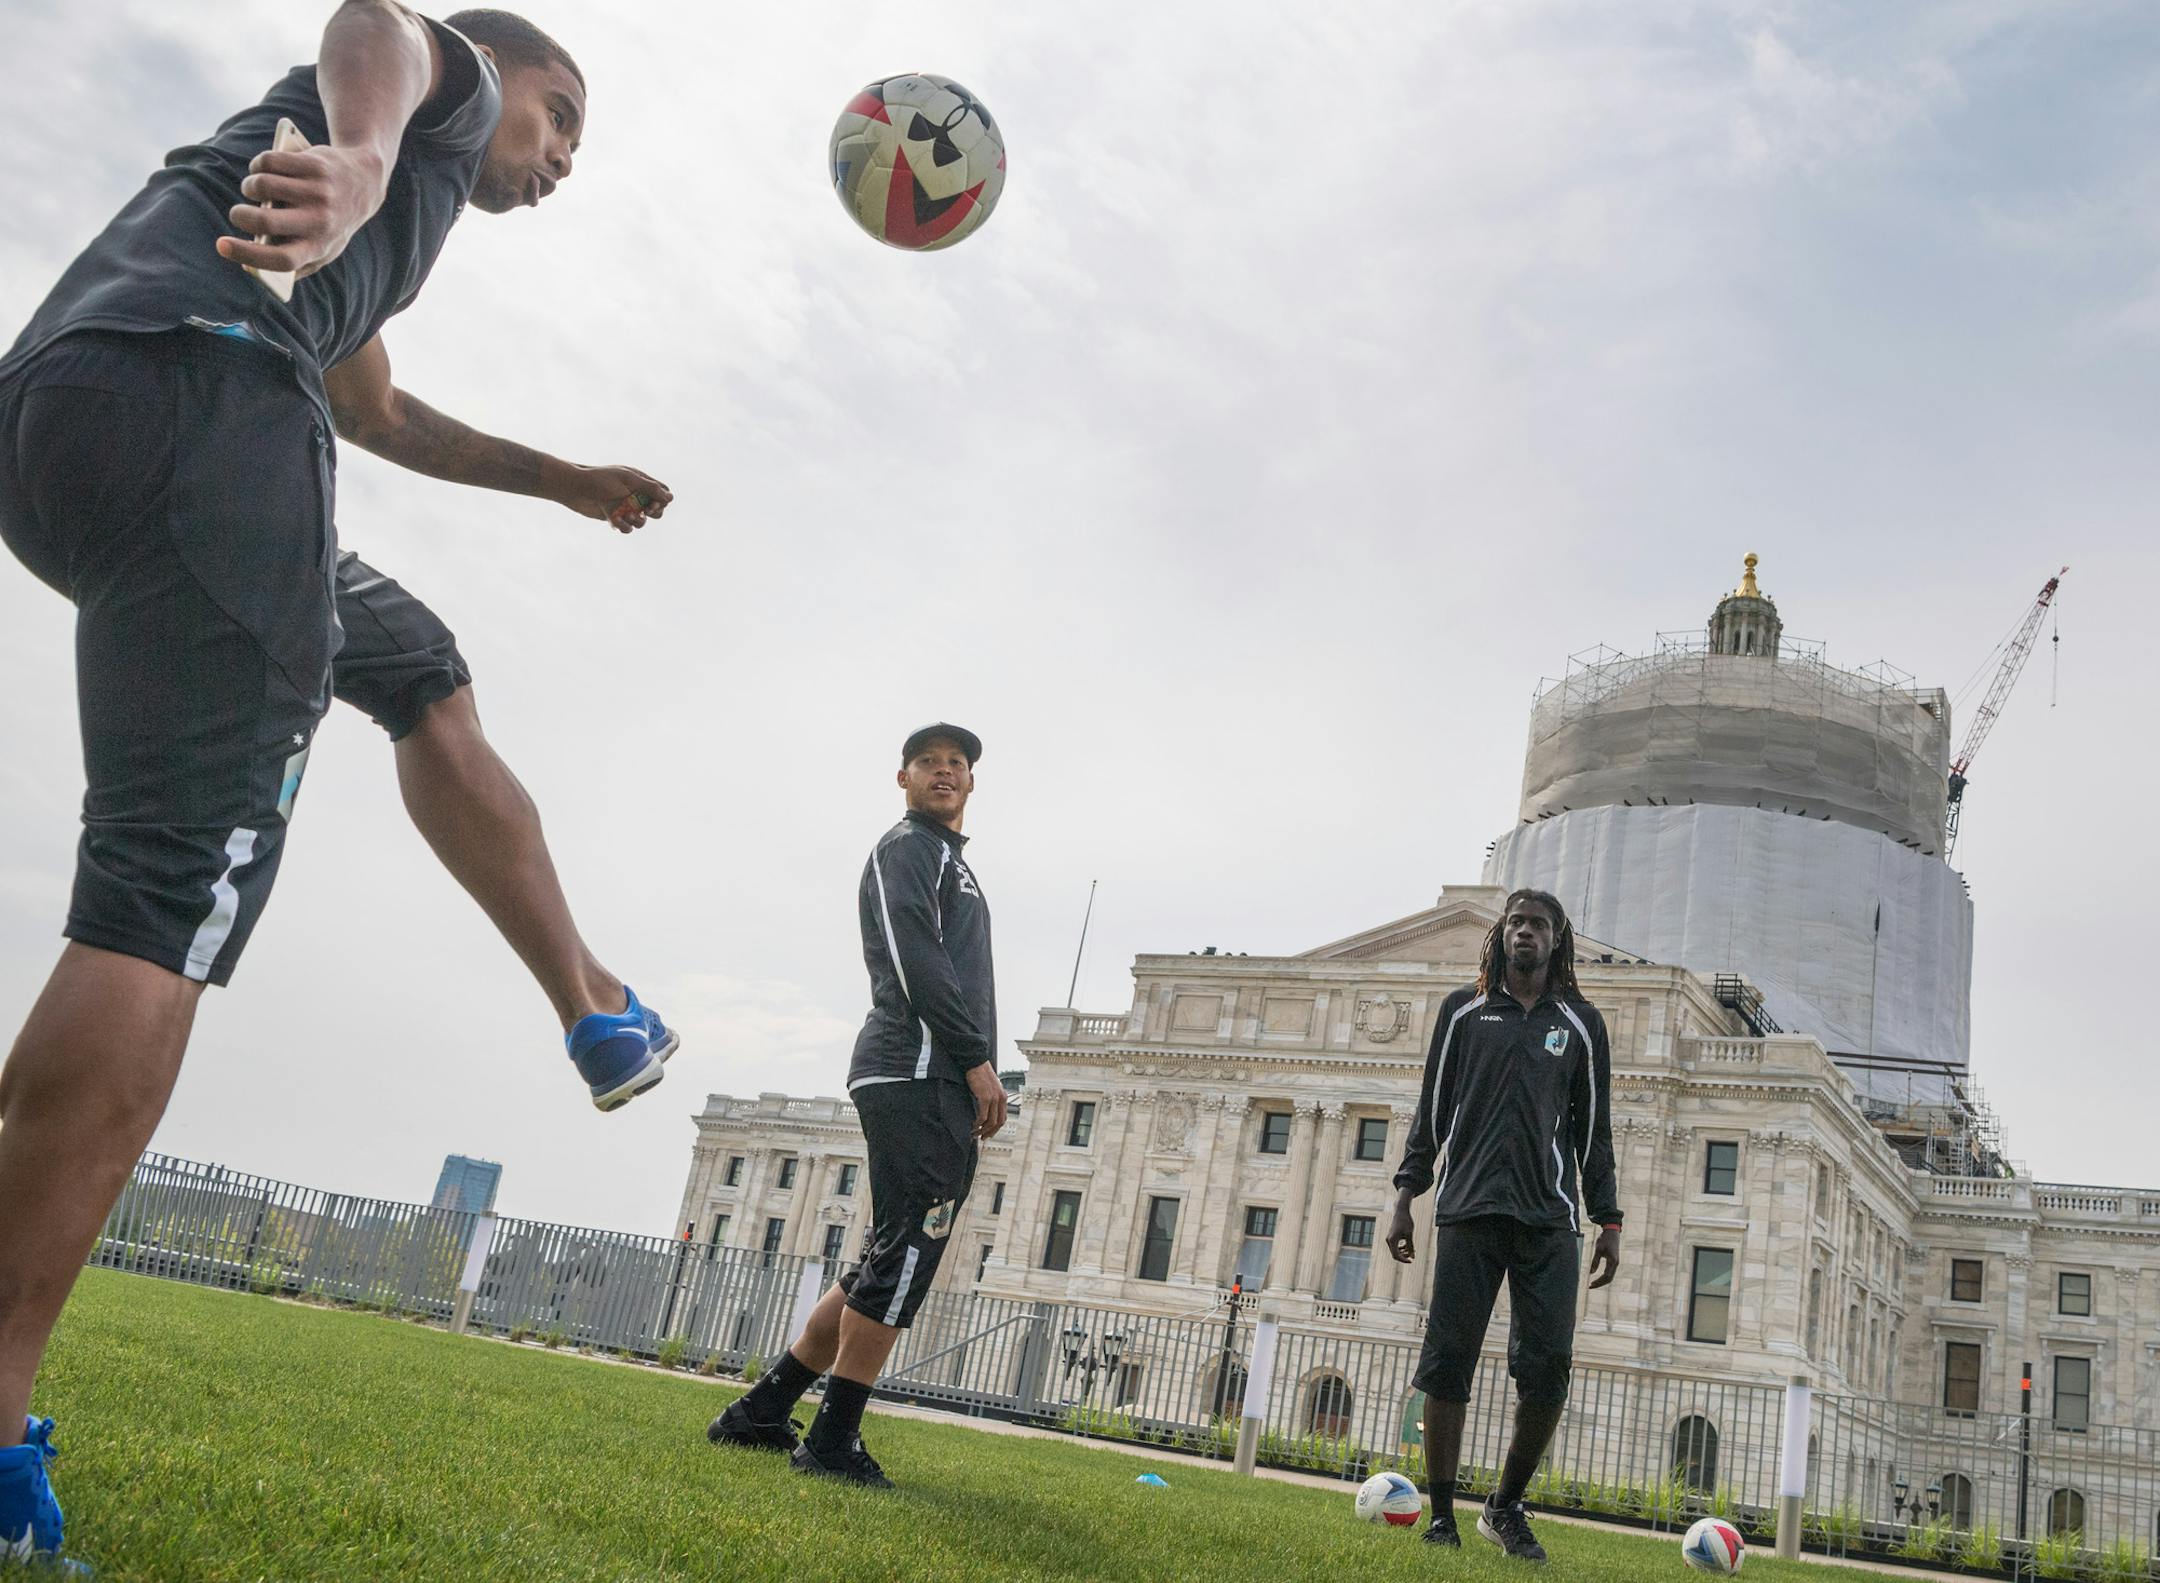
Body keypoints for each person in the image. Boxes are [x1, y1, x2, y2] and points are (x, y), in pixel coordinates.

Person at [0, 6, 674, 1566]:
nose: (560, 156)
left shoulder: (361, 230)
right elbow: (390, 23)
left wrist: (562, 478)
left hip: (75, 417)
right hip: (206, 397)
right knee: (170, 898)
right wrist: (372, 151)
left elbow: (375, 411)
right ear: (512, 83)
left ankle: (590, 999)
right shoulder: (428, 102)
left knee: (414, 659)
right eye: (563, 121)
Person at [707, 723, 1007, 1490]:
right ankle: (834, 1437)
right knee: (912, 1245)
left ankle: (762, 1412)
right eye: (930, 763)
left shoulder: (951, 861)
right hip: (917, 1069)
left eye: (957, 764)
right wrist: (976, 1063)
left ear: (971, 781)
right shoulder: (906, 847)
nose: (945, 772)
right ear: (901, 776)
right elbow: (915, 957)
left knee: (888, 1249)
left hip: (925, 1073)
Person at [1386, 889, 1623, 1561]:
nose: (1525, 932)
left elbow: (1592, 1128)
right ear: (1501, 934)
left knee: (1548, 1368)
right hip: (1466, 1210)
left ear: (1556, 939)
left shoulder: (1580, 1021)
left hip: (1549, 1218)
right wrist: (1408, 1191)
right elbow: (1432, 1105)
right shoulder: (1461, 1009)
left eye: (1538, 925)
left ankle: (1505, 1505)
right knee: (1447, 1365)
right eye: (1516, 921)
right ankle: (1440, 1515)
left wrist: (1608, 1216)